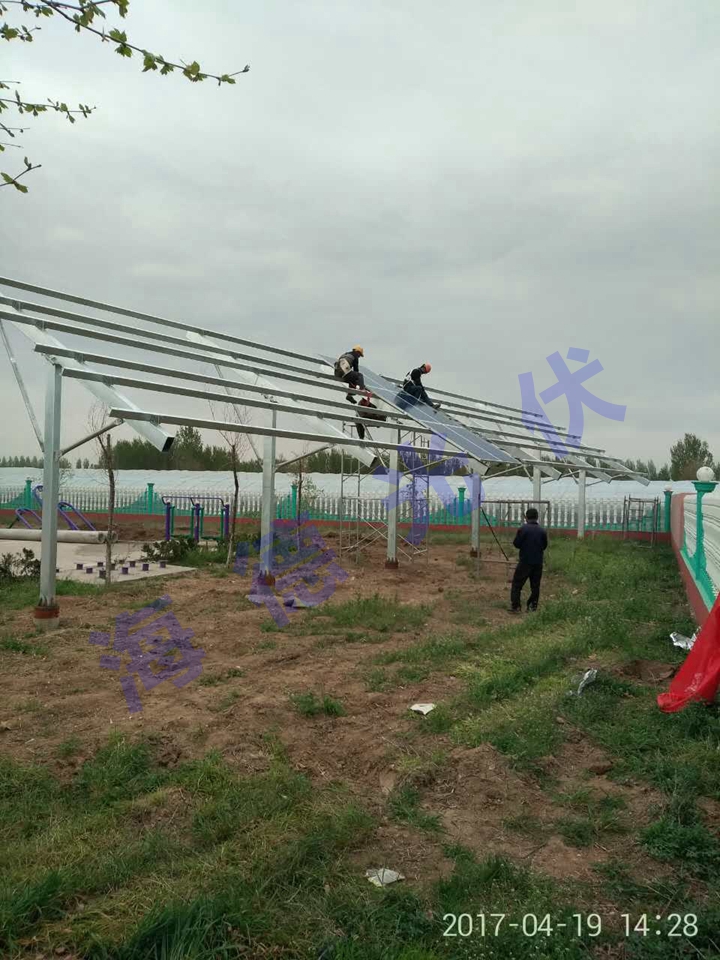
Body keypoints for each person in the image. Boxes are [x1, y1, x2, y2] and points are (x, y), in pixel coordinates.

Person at [509, 507, 548, 613]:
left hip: (525, 562)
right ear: (537, 517)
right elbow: (544, 546)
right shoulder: (542, 531)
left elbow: (516, 544)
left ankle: (516, 607)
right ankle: (532, 607)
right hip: (538, 563)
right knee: (535, 586)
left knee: (517, 584)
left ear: (526, 517)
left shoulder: (523, 529)